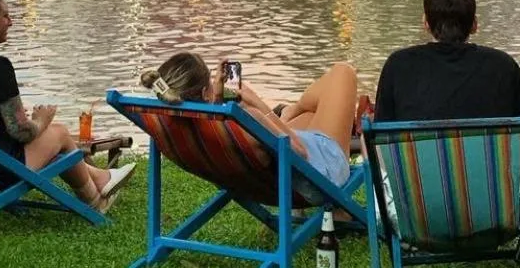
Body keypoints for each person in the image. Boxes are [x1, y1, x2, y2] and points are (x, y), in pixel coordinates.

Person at [0, 0, 131, 212]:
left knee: (50, 136)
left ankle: (101, 177)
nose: (11, 22)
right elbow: (20, 132)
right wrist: (41, 120)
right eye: (5, 16)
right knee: (60, 132)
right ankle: (95, 202)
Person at [140, 53, 357, 190]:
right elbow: (300, 152)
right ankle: (290, 112)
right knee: (342, 72)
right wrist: (258, 104)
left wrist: (215, 103)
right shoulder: (244, 120)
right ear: (206, 91)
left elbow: (204, 123)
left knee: (309, 114)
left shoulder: (167, 120)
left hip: (258, 180)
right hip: (317, 175)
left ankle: (291, 112)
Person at [375, 0, 520, 122]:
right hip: (489, 151)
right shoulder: (504, 67)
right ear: (474, 25)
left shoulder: (397, 66)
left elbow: (380, 138)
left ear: (426, 24)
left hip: (419, 152)